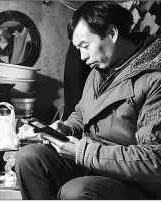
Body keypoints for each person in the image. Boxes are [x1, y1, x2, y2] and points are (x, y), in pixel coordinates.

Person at [15, 1, 161, 200]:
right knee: (29, 157)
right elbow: (82, 113)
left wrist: (83, 153)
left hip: (133, 180)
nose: (82, 56)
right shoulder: (98, 70)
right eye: (78, 49)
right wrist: (66, 129)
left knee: (76, 192)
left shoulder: (154, 78)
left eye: (85, 46)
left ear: (112, 33)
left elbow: (154, 159)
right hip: (93, 164)